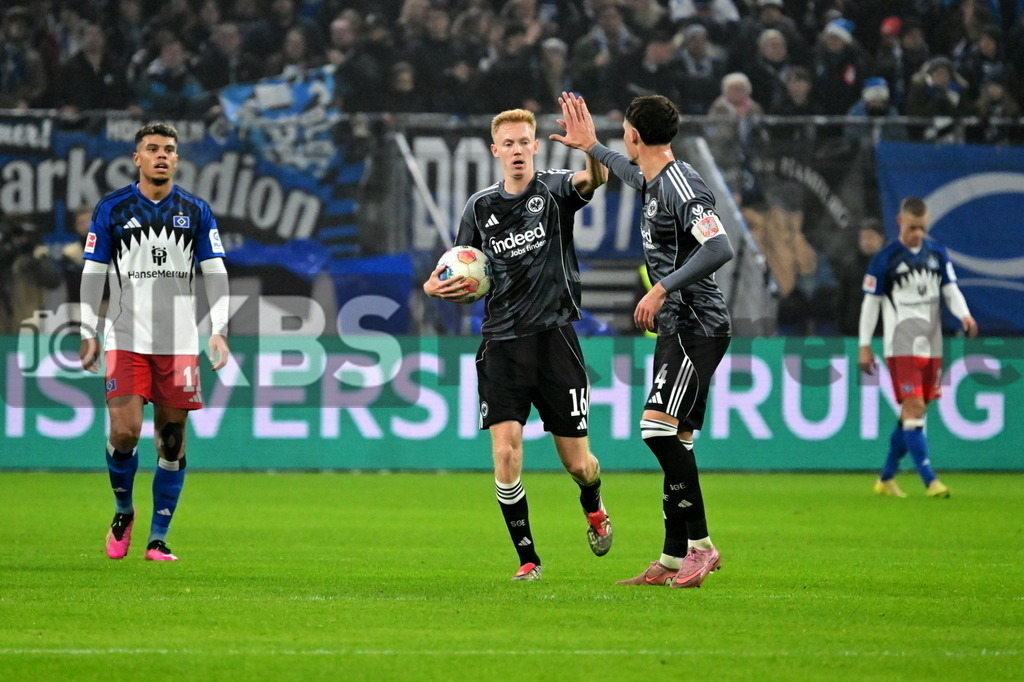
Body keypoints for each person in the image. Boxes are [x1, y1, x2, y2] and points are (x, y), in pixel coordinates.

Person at [552, 92, 733, 588]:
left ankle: (701, 546)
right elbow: (629, 172)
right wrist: (590, 146)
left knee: (656, 430)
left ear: (634, 134)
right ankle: (673, 558)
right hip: (680, 326)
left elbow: (719, 246)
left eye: (622, 133)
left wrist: (661, 286)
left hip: (697, 324)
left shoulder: (683, 185)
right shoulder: (655, 178)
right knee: (677, 439)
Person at [422, 107, 610, 582]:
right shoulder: (479, 207)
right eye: (508, 143)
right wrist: (433, 287)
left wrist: (589, 146)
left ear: (535, 146)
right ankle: (528, 559)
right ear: (496, 151)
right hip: (502, 343)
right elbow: (454, 265)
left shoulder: (555, 189)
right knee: (506, 452)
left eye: (524, 141)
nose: (517, 150)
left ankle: (593, 504)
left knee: (578, 463)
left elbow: (597, 180)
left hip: (554, 339)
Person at [79, 122, 231, 561]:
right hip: (126, 337)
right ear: (137, 158)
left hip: (180, 342)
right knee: (125, 433)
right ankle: (124, 509)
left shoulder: (195, 210)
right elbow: (93, 273)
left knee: (170, 440)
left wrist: (217, 328)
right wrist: (89, 329)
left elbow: (215, 272)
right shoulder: (113, 208)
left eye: (169, 149)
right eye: (152, 148)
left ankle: (158, 538)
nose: (161, 155)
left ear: (177, 159)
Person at [858, 196, 978, 499]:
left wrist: (964, 314)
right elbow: (870, 306)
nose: (917, 235)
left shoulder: (937, 254)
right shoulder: (885, 259)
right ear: (900, 222)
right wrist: (864, 346)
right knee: (915, 408)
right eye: (912, 228)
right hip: (900, 344)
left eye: (921, 228)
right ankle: (930, 480)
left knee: (912, 413)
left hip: (931, 344)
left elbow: (951, 291)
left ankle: (886, 478)